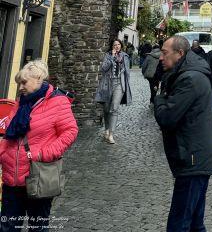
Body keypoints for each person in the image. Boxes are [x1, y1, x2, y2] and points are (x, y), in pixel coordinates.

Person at [0, 60, 78, 232]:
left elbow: (70, 131)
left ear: (38, 79)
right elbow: (9, 134)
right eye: (19, 83)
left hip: (38, 176)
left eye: (23, 82)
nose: (20, 87)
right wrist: (2, 154)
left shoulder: (58, 102)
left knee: (37, 227)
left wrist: (44, 154)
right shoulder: (21, 102)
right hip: (11, 178)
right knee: (7, 227)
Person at [154, 35, 212, 232]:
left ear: (180, 53)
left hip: (193, 158)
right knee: (193, 223)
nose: (160, 57)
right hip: (195, 156)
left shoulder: (190, 78)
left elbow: (167, 117)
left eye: (165, 53)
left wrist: (159, 98)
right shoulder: (187, 74)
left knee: (180, 224)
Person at [94, 38, 132, 144]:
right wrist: (112, 58)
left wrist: (125, 86)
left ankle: (111, 134)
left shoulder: (125, 56)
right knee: (106, 109)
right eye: (115, 44)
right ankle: (106, 129)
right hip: (108, 84)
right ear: (112, 46)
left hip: (119, 84)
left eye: (118, 44)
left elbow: (127, 72)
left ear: (121, 46)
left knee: (114, 108)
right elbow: (103, 69)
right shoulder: (108, 55)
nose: (117, 46)